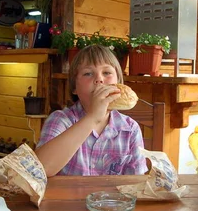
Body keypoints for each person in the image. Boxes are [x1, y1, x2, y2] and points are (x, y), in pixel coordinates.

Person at [36, 44, 147, 177]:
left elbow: (136, 182)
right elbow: (39, 169)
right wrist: (93, 117)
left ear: (119, 82)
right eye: (88, 73)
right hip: (68, 197)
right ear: (74, 88)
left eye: (107, 73)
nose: (99, 79)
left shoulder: (130, 129)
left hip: (112, 197)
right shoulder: (60, 120)